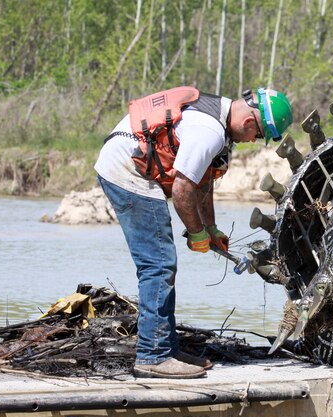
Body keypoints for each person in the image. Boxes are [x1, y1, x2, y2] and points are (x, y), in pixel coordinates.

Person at [95, 87, 293, 378]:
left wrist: (210, 228)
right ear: (250, 123)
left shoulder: (218, 118)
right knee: (159, 264)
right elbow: (182, 188)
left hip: (134, 165)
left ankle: (167, 349)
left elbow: (203, 181)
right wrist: (196, 232)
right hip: (126, 171)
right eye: (258, 136)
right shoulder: (209, 130)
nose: (253, 140)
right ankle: (153, 356)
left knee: (162, 264)